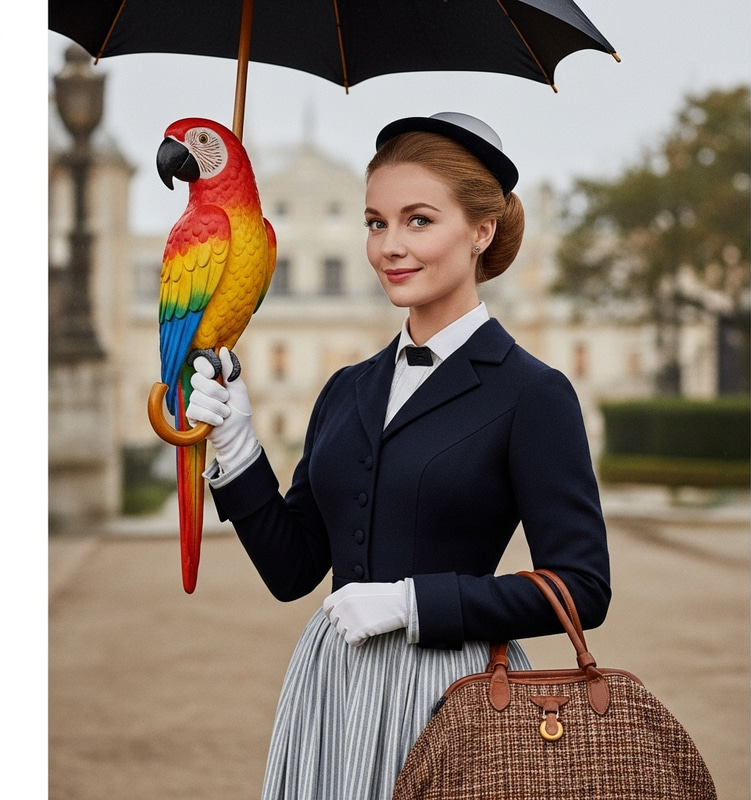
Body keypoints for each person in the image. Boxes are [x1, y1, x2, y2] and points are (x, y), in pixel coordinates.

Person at [186, 112, 611, 799]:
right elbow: (293, 570)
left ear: (481, 231)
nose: (390, 246)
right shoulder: (347, 389)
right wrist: (237, 448)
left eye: (418, 220)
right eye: (376, 222)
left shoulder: (534, 393)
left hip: (456, 695)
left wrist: (414, 603)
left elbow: (581, 589)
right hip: (330, 688)